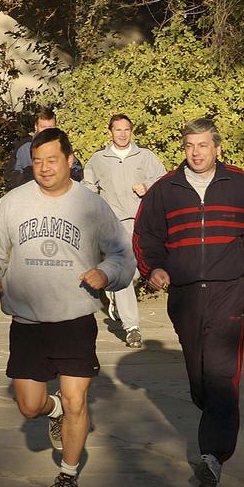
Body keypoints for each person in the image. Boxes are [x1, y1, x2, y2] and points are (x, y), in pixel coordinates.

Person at [0, 127, 136, 487]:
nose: (45, 168)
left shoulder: (91, 206)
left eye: (52, 160)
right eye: (37, 162)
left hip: (74, 318)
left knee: (77, 399)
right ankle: (55, 409)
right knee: (29, 406)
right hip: (28, 322)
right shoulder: (13, 203)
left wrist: (105, 274)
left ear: (69, 160)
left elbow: (122, 256)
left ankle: (68, 474)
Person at [133, 117, 244, 487]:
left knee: (221, 371)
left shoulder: (239, 184)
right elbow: (145, 235)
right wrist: (154, 268)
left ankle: (213, 456)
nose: (196, 153)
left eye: (203, 145)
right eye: (190, 146)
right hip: (184, 294)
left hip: (226, 289)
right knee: (199, 376)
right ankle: (214, 413)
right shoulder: (166, 189)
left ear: (217, 148)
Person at [83, 114, 166, 348]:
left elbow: (164, 180)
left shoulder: (145, 156)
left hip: (141, 223)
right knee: (125, 273)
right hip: (113, 225)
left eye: (126, 130)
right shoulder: (99, 159)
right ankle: (132, 328)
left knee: (138, 271)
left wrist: (147, 186)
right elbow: (88, 187)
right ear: (110, 132)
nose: (122, 134)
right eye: (118, 130)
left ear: (131, 131)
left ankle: (113, 290)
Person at [5, 106, 84, 191]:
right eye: (43, 127)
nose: (47, 131)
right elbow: (11, 177)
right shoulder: (24, 148)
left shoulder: (62, 144)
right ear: (36, 126)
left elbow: (77, 171)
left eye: (50, 127)